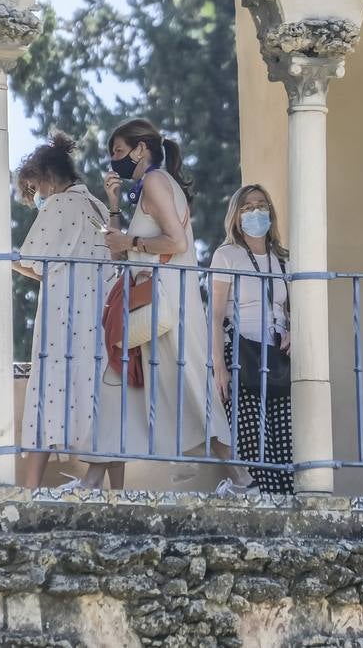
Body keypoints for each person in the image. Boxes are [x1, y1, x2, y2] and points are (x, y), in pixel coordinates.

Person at [74, 118, 249, 495]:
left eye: (119, 151)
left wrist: (131, 242)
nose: (114, 160)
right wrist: (115, 205)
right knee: (117, 384)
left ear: (141, 149)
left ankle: (243, 478)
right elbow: (122, 246)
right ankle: (91, 479)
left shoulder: (154, 181)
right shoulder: (152, 184)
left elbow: (174, 242)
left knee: (191, 387)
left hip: (165, 303)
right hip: (154, 301)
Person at [12, 132, 111, 490]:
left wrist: (9, 262)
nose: (35, 195)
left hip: (63, 315)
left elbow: (35, 262)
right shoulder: (98, 207)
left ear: (48, 179)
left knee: (47, 393)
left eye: (34, 186)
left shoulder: (58, 206)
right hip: (97, 316)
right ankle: (106, 486)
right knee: (99, 398)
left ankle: (30, 488)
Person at [210, 184, 294, 494]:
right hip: (241, 356)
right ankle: (257, 500)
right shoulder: (227, 255)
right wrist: (218, 365)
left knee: (285, 441)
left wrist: (294, 331)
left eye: (261, 205)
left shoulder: (283, 259)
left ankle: (285, 505)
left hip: (278, 358)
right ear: (236, 215)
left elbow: (294, 308)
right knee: (252, 439)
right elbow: (215, 315)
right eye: (247, 207)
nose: (255, 212)